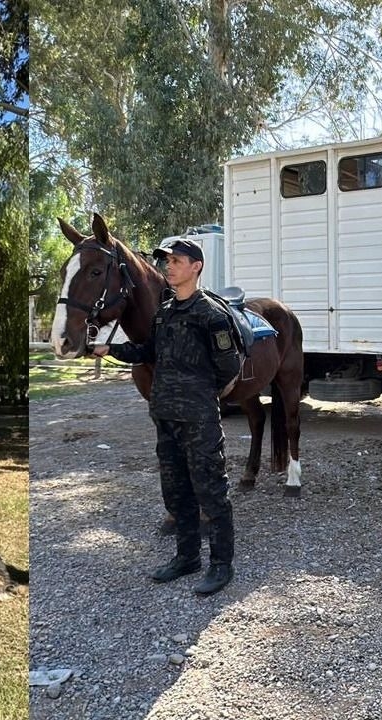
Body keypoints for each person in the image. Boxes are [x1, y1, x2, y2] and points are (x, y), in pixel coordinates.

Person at [92, 237, 241, 595]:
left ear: (196, 267)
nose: (168, 266)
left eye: (176, 260)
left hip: (198, 419)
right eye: (166, 261)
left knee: (211, 492)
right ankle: (187, 557)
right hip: (165, 418)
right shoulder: (165, 312)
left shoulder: (213, 315)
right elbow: (147, 351)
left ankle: (221, 565)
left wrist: (198, 393)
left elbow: (228, 367)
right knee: (176, 492)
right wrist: (110, 349)